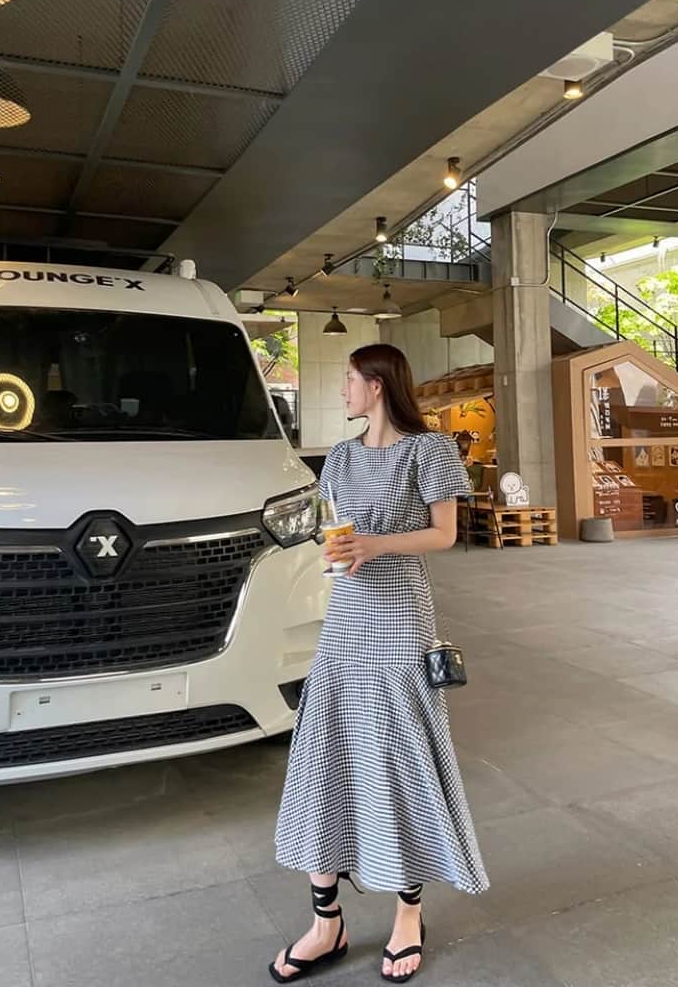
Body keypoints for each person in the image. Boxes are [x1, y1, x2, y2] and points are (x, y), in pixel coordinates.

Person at [270, 344, 489, 984]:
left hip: (399, 622)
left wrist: (374, 544)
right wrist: (332, 547)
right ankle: (326, 922)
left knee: (399, 759)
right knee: (326, 754)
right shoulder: (340, 456)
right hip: (345, 619)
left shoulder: (430, 450)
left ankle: (407, 915)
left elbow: (444, 534)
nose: (343, 390)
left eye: (349, 379)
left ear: (377, 384)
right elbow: (330, 527)